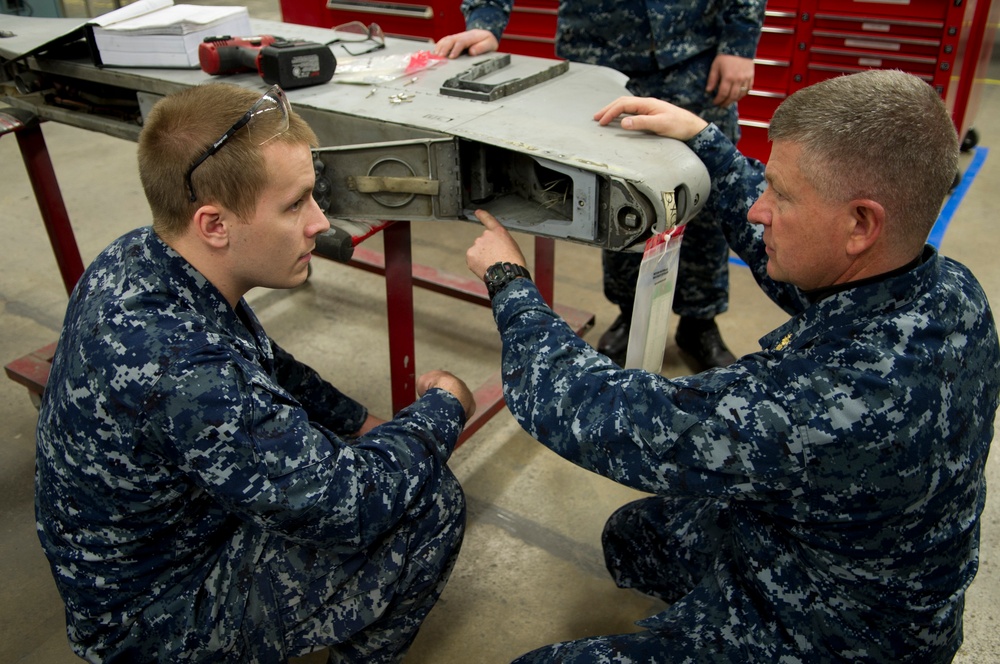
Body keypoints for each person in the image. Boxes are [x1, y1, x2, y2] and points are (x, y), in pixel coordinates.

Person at [464, 69, 999, 662]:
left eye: (781, 195)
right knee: (636, 535)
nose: (760, 211)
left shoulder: (825, 405)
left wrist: (508, 281)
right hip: (858, 561)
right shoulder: (947, 291)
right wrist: (704, 141)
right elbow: (803, 264)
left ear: (860, 224)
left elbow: (589, 411)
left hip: (838, 638)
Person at [34, 82, 476, 662]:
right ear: (214, 224)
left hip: (161, 547)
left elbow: (268, 365)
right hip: (149, 620)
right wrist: (446, 404)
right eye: (295, 205)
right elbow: (352, 503)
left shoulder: (145, 254)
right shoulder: (180, 367)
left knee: (376, 456)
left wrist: (361, 422)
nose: (320, 223)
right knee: (427, 501)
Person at [436, 0, 765, 370]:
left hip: (693, 57)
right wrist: (485, 19)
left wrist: (739, 42)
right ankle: (630, 313)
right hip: (601, 60)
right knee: (616, 200)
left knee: (706, 192)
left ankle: (700, 322)